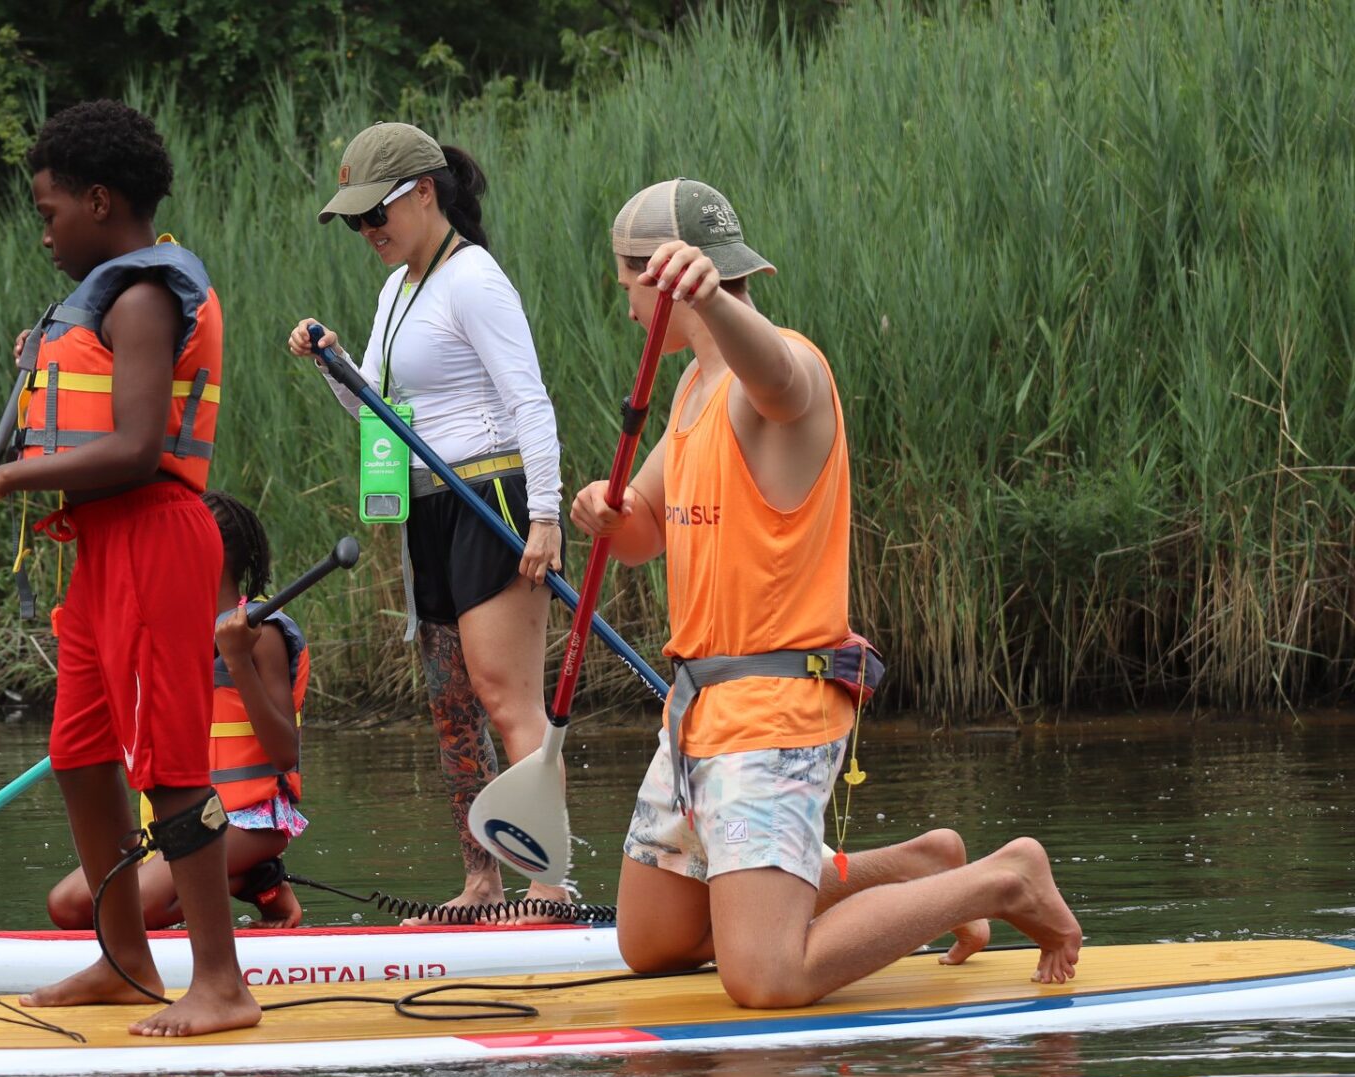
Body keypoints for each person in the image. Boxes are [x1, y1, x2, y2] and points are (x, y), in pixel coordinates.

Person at [572, 178, 1081, 1007]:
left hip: (774, 712)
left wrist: (716, 300)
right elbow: (639, 539)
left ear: (660, 280)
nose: (623, 300)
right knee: (653, 944)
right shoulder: (693, 390)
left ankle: (1003, 879)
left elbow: (777, 376)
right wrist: (603, 508)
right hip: (697, 713)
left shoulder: (785, 365)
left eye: (625, 281)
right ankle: (917, 866)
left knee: (765, 980)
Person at [0, 99, 257, 1036]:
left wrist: (7, 476)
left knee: (168, 765)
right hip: (99, 547)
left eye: (48, 215)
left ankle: (221, 985)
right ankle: (126, 960)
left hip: (157, 536)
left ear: (97, 200)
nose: (42, 234)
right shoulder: (107, 303)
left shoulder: (144, 294)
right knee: (80, 754)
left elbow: (132, 447)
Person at [287, 121, 569, 919]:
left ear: (424, 193)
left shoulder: (473, 278)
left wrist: (544, 516)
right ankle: (483, 883)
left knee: (504, 695)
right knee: (449, 701)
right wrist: (332, 362)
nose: (368, 230)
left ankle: (546, 886)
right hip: (429, 505)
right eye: (355, 220)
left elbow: (529, 400)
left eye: (378, 213)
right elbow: (375, 411)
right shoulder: (398, 287)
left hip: (494, 499)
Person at [45, 490, 309, 931]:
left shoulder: (261, 633)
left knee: (135, 910)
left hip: (248, 820)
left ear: (206, 551)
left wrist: (237, 660)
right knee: (68, 906)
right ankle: (246, 879)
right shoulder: (170, 628)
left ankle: (245, 877)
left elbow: (284, 753)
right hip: (179, 818)